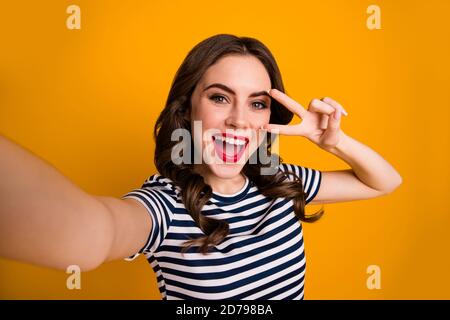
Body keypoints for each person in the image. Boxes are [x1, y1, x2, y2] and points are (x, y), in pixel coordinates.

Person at [0, 34, 402, 300]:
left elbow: (385, 182)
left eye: (257, 103)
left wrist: (333, 141)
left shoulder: (279, 183)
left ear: (269, 118)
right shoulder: (165, 206)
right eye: (220, 98)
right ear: (187, 107)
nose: (240, 121)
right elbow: (89, 236)